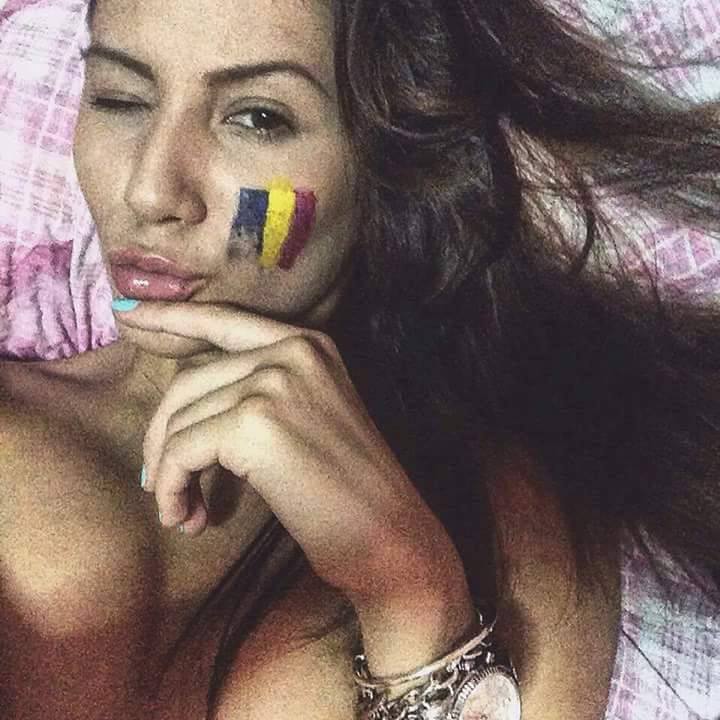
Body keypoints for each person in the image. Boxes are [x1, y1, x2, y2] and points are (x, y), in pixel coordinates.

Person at [0, 0, 718, 719]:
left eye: (258, 118)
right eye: (121, 99)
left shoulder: (498, 520)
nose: (152, 191)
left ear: (384, 159)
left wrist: (409, 594)